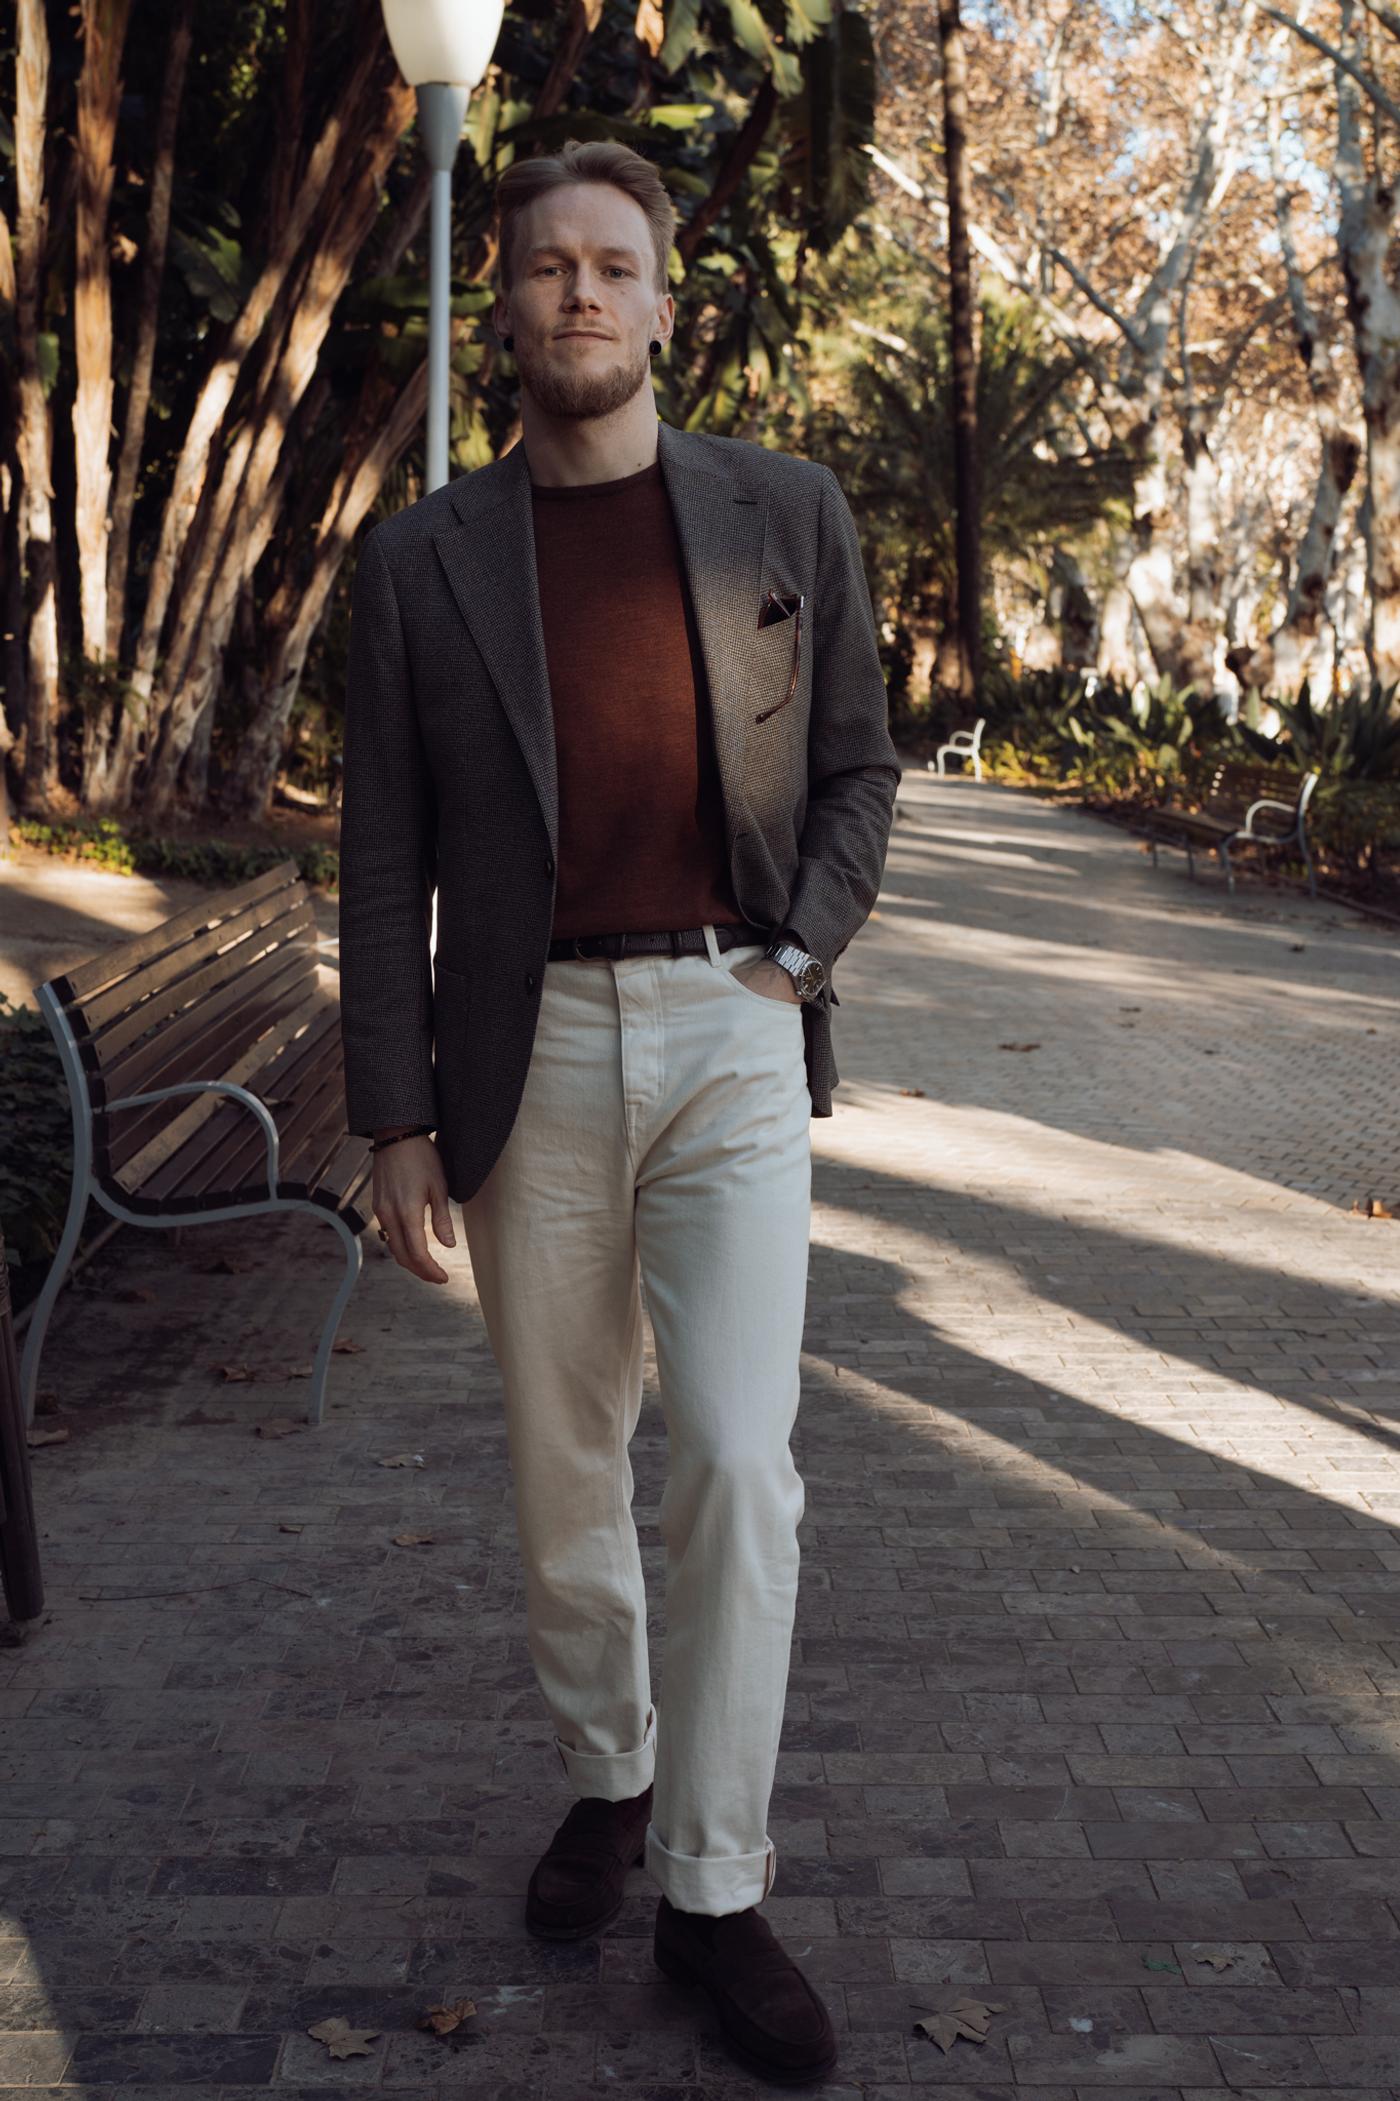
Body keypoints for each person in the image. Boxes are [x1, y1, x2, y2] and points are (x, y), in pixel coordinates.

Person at [338, 137, 900, 2088]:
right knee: (565, 1459)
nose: (579, 293)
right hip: (526, 1054)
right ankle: (607, 1770)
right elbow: (385, 842)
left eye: (613, 265)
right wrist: (391, 1108)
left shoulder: (784, 513)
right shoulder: (418, 560)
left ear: (666, 302)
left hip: (732, 1026)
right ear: (503, 301)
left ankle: (715, 1889)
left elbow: (856, 769)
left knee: (739, 1458)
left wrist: (794, 956)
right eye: (546, 266)